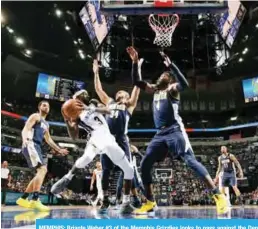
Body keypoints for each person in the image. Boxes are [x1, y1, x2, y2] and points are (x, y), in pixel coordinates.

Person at [128, 47, 228, 214]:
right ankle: (150, 201)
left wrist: (172, 65)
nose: (162, 75)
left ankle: (218, 195)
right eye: (161, 75)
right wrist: (134, 62)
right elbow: (137, 82)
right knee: (145, 163)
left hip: (175, 130)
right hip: (160, 133)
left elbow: (185, 84)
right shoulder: (154, 89)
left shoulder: (172, 89)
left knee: (189, 160)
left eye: (165, 75)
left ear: (169, 80)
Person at [51, 90, 134, 214]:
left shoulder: (93, 103)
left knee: (129, 170)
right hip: (95, 139)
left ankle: (126, 202)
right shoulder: (77, 117)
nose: (77, 99)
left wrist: (91, 108)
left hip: (108, 140)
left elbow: (108, 110)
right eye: (76, 98)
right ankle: (68, 177)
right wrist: (66, 120)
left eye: (78, 97)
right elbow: (74, 137)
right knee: (86, 157)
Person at [92, 55, 141, 210]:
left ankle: (126, 200)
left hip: (121, 140)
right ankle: (105, 199)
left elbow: (137, 86)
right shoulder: (109, 102)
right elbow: (98, 89)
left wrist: (137, 68)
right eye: (119, 92)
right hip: (107, 140)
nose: (121, 93)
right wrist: (95, 72)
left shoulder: (129, 106)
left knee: (128, 169)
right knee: (106, 170)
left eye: (124, 93)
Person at [16, 101, 68, 211]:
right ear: (39, 107)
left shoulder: (46, 124)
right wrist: (25, 139)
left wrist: (59, 150)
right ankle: (35, 200)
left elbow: (48, 139)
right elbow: (26, 128)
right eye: (44, 105)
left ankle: (23, 199)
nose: (46, 107)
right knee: (43, 170)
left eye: (48, 106)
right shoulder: (36, 116)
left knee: (40, 172)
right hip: (31, 143)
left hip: (38, 146)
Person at [114, 144, 146, 209]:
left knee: (137, 186)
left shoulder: (134, 155)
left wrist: (137, 151)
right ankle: (118, 202)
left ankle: (143, 201)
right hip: (124, 170)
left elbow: (142, 157)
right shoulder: (123, 153)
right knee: (119, 186)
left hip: (133, 170)